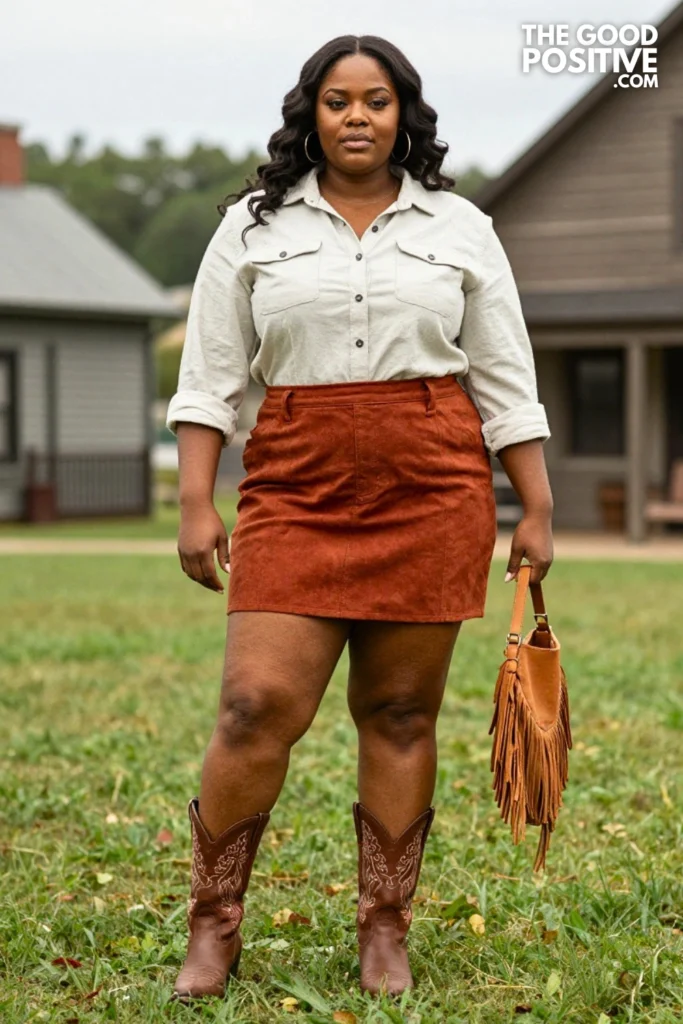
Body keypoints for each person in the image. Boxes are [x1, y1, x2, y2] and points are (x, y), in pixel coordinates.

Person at [164, 34, 554, 1002]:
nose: (354, 117)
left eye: (374, 101)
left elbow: (503, 376)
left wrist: (535, 502)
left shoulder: (460, 227)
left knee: (397, 711)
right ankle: (212, 926)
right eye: (336, 100)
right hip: (294, 488)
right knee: (256, 703)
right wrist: (193, 499)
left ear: (401, 115)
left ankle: (384, 927)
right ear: (310, 114)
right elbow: (209, 377)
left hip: (430, 487)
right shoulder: (249, 230)